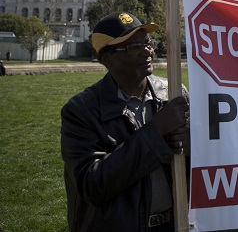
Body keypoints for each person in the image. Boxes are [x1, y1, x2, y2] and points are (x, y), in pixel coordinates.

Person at [61, 12, 190, 232]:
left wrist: (194, 147)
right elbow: (92, 185)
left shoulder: (174, 93)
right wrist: (157, 130)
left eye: (148, 43)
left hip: (175, 224)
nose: (147, 51)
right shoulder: (81, 111)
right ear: (107, 58)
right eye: (133, 47)